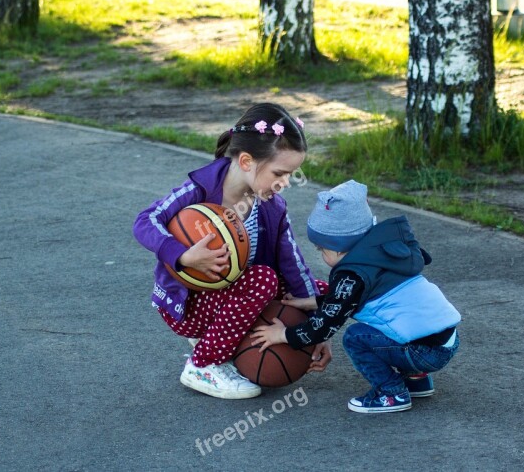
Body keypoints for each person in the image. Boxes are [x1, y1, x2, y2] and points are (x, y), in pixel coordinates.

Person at [133, 103, 330, 400]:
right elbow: (145, 221)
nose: (285, 182)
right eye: (280, 172)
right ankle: (202, 364)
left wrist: (315, 329)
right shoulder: (200, 190)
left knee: (328, 292)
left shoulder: (272, 207)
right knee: (264, 279)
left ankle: (222, 338)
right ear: (248, 161)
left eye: (291, 174)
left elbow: (294, 265)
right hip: (188, 305)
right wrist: (184, 256)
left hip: (234, 293)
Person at [251, 180, 461, 413]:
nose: (321, 255)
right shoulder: (381, 255)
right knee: (394, 325)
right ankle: (416, 380)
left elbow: (325, 326)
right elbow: (347, 302)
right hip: (446, 341)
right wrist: (306, 302)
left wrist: (283, 334)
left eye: (322, 249)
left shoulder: (352, 275)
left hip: (423, 351)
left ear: (340, 247)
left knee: (355, 337)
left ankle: (391, 393)